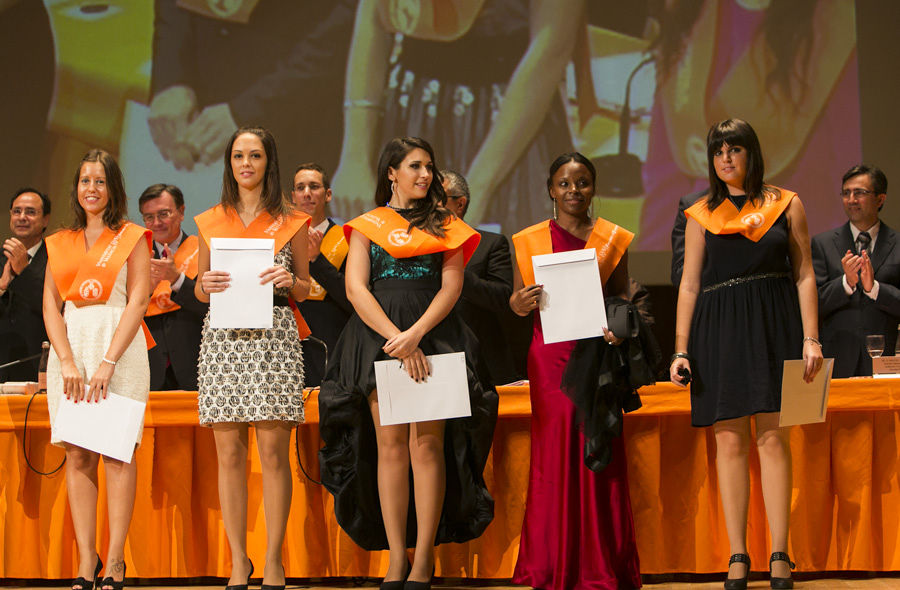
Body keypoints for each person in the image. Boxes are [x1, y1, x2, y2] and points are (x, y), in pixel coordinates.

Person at [318, 137, 498, 590]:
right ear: (391, 173)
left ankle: (424, 560)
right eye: (414, 166)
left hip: (434, 335)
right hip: (380, 339)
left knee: (428, 447)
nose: (425, 175)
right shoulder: (365, 226)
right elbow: (357, 288)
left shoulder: (446, 225)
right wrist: (395, 338)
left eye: (429, 167)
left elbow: (451, 286)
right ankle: (397, 558)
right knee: (391, 447)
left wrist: (416, 335)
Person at [669, 119, 823, 590]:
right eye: (718, 151)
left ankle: (780, 551)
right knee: (730, 441)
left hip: (774, 323)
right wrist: (681, 349)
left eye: (735, 149)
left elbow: (804, 275)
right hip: (719, 329)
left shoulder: (787, 203)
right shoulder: (699, 214)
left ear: (752, 154)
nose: (726, 158)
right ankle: (738, 552)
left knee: (773, 438)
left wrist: (811, 337)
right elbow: (689, 284)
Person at [508, 152, 641, 590]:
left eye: (582, 183)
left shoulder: (611, 239)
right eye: (564, 183)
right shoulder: (527, 240)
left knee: (595, 446)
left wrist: (618, 328)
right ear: (551, 189)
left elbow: (623, 298)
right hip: (548, 356)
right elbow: (515, 300)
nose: (573, 191)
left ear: (593, 188)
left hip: (596, 355)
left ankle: (599, 564)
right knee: (554, 454)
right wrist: (519, 303)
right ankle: (551, 563)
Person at [330, 0, 577, 231]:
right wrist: (355, 158)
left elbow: (551, 49)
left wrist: (477, 187)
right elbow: (373, 19)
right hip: (413, 114)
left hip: (507, 129)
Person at [193, 126, 310, 590]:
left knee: (274, 456)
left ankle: (273, 559)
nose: (246, 163)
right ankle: (239, 560)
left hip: (274, 338)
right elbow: (201, 289)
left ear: (269, 162)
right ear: (229, 163)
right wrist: (204, 286)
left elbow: (305, 286)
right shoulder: (210, 221)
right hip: (223, 340)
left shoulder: (291, 220)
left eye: (255, 155)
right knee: (229, 457)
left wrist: (289, 281)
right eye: (239, 155)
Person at [43, 150, 153, 590]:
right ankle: (85, 562)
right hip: (70, 349)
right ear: (76, 188)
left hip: (119, 349)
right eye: (85, 180)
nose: (92, 188)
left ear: (114, 189)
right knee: (79, 454)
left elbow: (139, 300)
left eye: (100, 181)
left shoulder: (132, 237)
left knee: (116, 454)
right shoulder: (60, 241)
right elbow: (52, 305)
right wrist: (67, 358)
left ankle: (115, 561)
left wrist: (108, 361)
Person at [148, 0, 354, 174]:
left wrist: (251, 110)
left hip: (296, 119)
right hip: (198, 99)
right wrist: (172, 74)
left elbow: (342, 24)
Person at [812, 165, 900, 377]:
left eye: (859, 193)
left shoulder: (897, 244)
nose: (851, 199)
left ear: (880, 199)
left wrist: (875, 289)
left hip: (887, 359)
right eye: (846, 193)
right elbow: (812, 303)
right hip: (838, 357)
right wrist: (846, 283)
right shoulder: (822, 244)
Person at [441, 170, 518, 384]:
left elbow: (502, 297)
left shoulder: (489, 244)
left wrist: (452, 271)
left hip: (477, 363)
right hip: (427, 357)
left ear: (460, 204)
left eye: (437, 199)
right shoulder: (413, 249)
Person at [139, 183, 207, 390]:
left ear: (182, 212)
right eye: (149, 217)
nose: (156, 223)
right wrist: (146, 291)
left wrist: (177, 279)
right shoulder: (135, 257)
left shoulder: (204, 250)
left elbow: (213, 309)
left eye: (164, 214)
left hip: (196, 366)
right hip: (149, 370)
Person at [290, 163, 352, 387]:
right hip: (288, 351)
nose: (306, 193)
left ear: (327, 195)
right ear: (293, 197)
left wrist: (317, 260)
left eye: (314, 187)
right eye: (300, 188)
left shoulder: (347, 239)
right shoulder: (279, 242)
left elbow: (353, 299)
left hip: (332, 350)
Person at [1, 188, 51, 381]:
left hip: (39, 366)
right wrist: (2, 286)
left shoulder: (56, 258)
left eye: (30, 212)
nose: (22, 217)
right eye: (16, 211)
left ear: (45, 219)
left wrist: (23, 271)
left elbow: (54, 308)